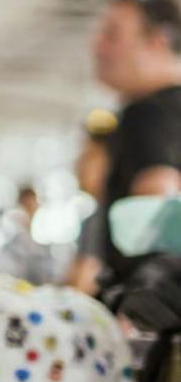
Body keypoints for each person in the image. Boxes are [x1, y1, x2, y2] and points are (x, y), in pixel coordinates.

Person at [89, 0, 181, 289]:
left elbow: (160, 197)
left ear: (157, 41)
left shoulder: (148, 113)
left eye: (112, 35)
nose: (97, 46)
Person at [65, 119, 115, 294]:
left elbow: (84, 282)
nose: (78, 165)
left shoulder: (107, 216)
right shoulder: (96, 215)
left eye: (88, 156)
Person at [0, 185, 59, 285]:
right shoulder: (9, 236)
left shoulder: (44, 239)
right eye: (26, 206)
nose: (30, 211)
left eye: (33, 206)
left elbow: (49, 274)